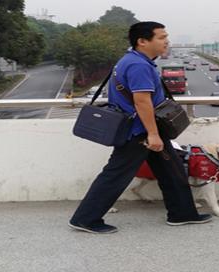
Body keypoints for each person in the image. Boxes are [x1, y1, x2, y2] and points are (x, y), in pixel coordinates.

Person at [68, 21, 211, 234]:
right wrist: (153, 134)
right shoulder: (138, 65)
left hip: (145, 129)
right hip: (139, 131)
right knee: (116, 174)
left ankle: (182, 213)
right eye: (161, 37)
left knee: (171, 170)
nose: (167, 41)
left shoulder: (134, 60)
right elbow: (142, 101)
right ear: (142, 41)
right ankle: (85, 218)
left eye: (166, 37)